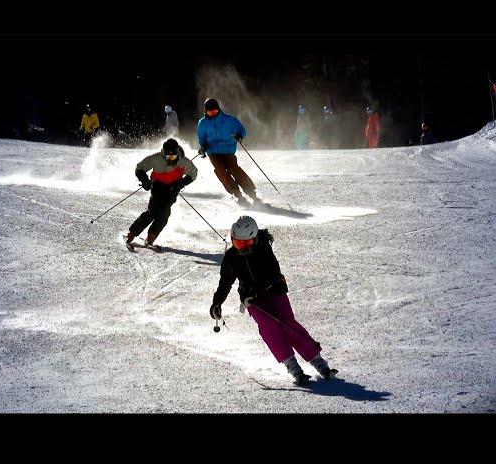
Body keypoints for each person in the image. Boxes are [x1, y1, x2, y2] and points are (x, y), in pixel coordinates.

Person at [209, 216, 338, 385]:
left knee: (287, 324)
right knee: (269, 327)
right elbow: (225, 281)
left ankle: (319, 363)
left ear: (255, 239)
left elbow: (271, 271)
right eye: (239, 244)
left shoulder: (263, 248)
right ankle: (293, 367)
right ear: (233, 240)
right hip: (252, 300)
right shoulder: (231, 257)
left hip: (274, 290)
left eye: (247, 244)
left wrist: (258, 289)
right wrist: (217, 302)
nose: (243, 248)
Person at [123, 138, 198, 249]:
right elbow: (139, 168)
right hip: (158, 187)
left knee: (164, 213)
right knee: (152, 211)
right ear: (164, 153)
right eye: (168, 156)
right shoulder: (156, 158)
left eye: (173, 157)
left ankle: (151, 236)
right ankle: (132, 234)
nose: (170, 159)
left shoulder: (183, 162)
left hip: (172, 190)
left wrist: (181, 183)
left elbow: (193, 174)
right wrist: (145, 180)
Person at [197, 97, 260, 208]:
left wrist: (239, 136)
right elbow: (201, 138)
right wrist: (203, 147)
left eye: (215, 112)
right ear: (206, 112)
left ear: (218, 109)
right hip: (213, 151)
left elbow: (242, 130)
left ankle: (252, 194)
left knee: (233, 169)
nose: (213, 115)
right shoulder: (202, 123)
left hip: (228, 149)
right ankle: (237, 194)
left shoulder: (229, 120)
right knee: (220, 171)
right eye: (210, 113)